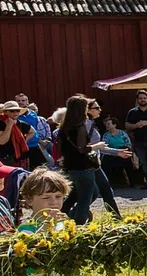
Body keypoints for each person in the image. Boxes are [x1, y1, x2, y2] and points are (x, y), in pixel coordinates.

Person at [54, 96, 107, 225]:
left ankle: (65, 215)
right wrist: (97, 146)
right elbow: (82, 149)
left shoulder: (63, 127)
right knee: (85, 198)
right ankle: (78, 224)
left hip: (69, 167)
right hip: (83, 166)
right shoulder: (80, 126)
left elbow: (60, 148)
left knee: (86, 193)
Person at [0, 101, 35, 169]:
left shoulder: (21, 123)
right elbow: (2, 141)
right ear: (5, 112)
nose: (15, 113)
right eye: (12, 111)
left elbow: (32, 131)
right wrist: (9, 126)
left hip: (21, 157)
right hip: (5, 158)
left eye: (17, 110)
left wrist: (23, 140)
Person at [99, 114, 135, 188]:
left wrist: (122, 150)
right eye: (106, 124)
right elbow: (105, 146)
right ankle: (107, 183)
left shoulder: (122, 133)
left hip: (123, 151)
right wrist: (115, 151)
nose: (107, 126)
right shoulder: (106, 135)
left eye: (109, 124)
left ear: (114, 125)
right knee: (105, 161)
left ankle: (132, 182)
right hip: (111, 153)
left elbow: (128, 144)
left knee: (127, 159)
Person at [14, 94, 48, 169]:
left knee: (42, 167)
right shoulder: (14, 116)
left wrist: (40, 141)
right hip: (22, 146)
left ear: (27, 102)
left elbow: (36, 129)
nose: (21, 102)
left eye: (23, 100)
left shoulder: (33, 114)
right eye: (18, 101)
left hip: (35, 145)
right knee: (26, 169)